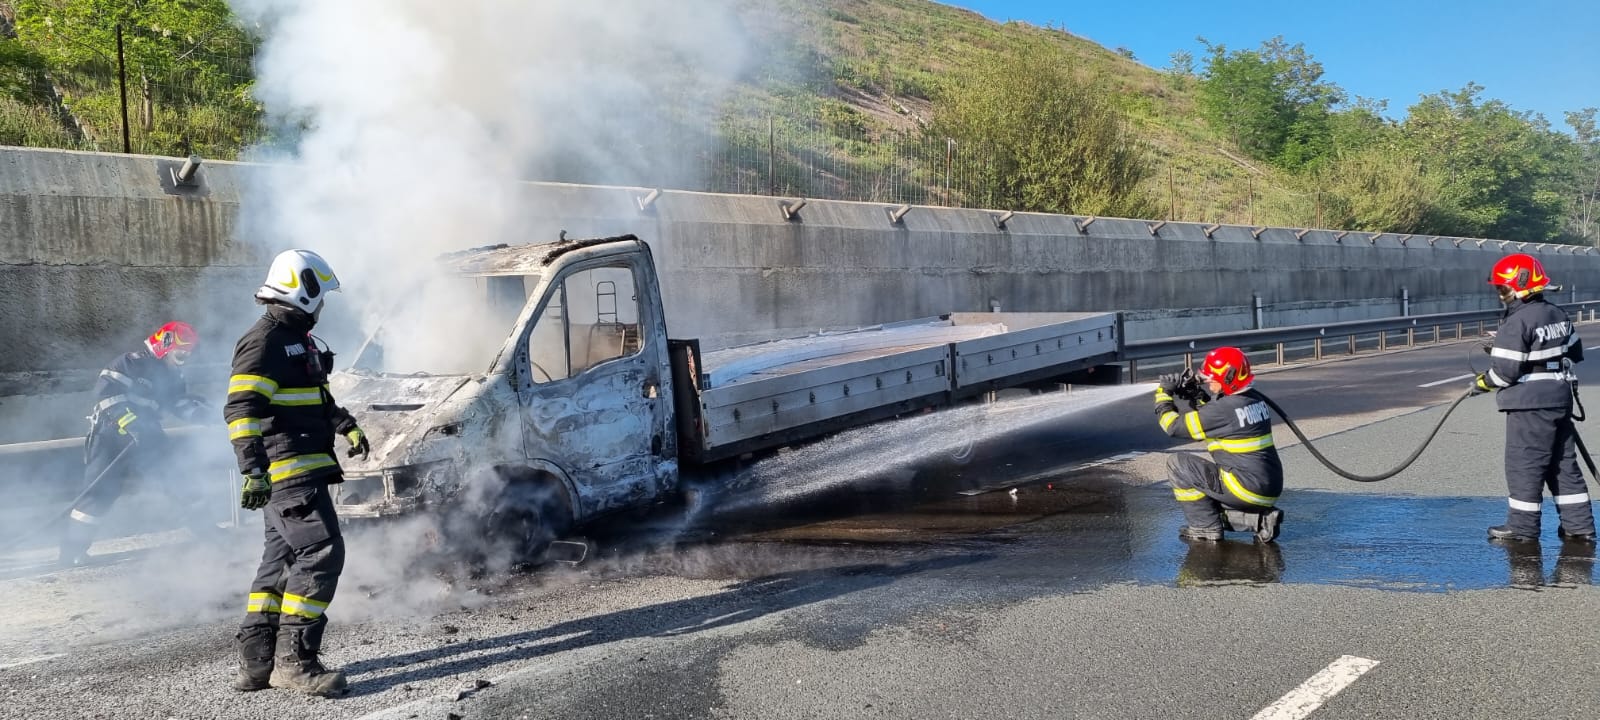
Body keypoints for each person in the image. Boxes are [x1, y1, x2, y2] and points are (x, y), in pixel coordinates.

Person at [226, 249, 371, 696]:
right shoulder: (265, 341)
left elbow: (314, 398)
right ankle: (295, 664)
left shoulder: (294, 338)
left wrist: (345, 425)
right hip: (289, 472)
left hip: (297, 469)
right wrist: (253, 470)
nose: (323, 304)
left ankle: (258, 665)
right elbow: (241, 409)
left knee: (280, 560)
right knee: (322, 551)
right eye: (320, 295)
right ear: (302, 290)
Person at [1470, 252, 1593, 543]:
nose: (1500, 294)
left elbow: (1505, 374)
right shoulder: (1557, 314)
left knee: (1525, 465)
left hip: (1529, 404)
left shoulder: (1516, 322)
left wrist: (1481, 383)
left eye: (1503, 288)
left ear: (1519, 286)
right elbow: (1575, 352)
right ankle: (1580, 527)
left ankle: (1522, 528)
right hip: (1559, 399)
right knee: (1563, 465)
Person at [60, 321, 206, 566]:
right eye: (181, 354)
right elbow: (106, 397)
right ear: (165, 345)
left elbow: (177, 403)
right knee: (98, 495)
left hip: (149, 435)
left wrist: (202, 415)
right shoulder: (129, 363)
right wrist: (132, 424)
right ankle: (71, 554)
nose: (183, 359)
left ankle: (209, 534)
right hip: (110, 437)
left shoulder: (173, 375)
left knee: (180, 480)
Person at [1154, 346, 1285, 542]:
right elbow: (1220, 421)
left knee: (1178, 464)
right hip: (1268, 487)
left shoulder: (1224, 409)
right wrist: (1198, 396)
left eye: (1212, 377)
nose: (1208, 381)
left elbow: (1173, 427)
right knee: (1209, 492)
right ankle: (1260, 521)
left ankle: (1205, 528)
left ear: (1229, 378)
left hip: (1244, 488)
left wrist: (1163, 394)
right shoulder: (1253, 399)